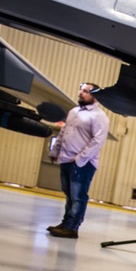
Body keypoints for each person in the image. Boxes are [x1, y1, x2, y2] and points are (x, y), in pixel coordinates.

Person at [47, 82, 110, 239]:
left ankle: (72, 227)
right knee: (68, 194)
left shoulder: (99, 117)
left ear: (95, 96)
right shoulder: (74, 111)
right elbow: (63, 132)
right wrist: (55, 151)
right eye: (81, 90)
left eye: (86, 91)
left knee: (78, 196)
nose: (81, 93)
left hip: (83, 164)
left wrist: (79, 159)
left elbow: (98, 141)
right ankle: (65, 223)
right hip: (66, 159)